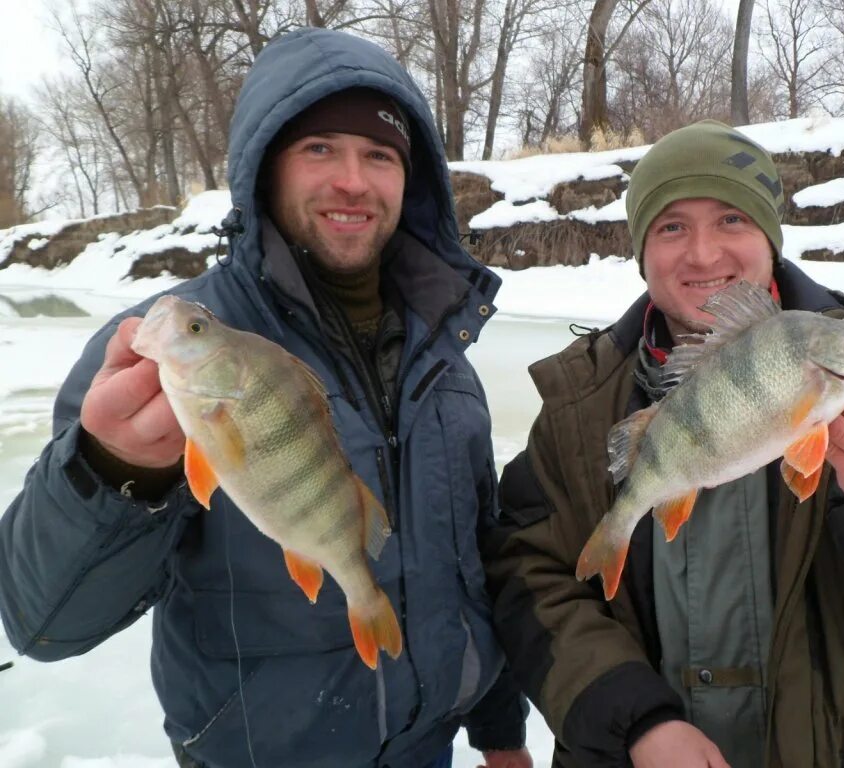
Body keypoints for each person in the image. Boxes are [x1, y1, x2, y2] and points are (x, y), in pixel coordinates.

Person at [0, 28, 532, 768]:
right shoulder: (172, 347)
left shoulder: (441, 352)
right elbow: (42, 623)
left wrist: (500, 730)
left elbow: (476, 562)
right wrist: (113, 471)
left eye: (379, 155)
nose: (353, 179)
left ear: (411, 182)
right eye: (320, 149)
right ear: (265, 169)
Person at [481, 120, 844, 768]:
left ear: (770, 236)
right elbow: (523, 577)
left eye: (732, 219)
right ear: (642, 250)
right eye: (672, 227)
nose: (704, 254)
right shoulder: (576, 405)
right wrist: (633, 720)